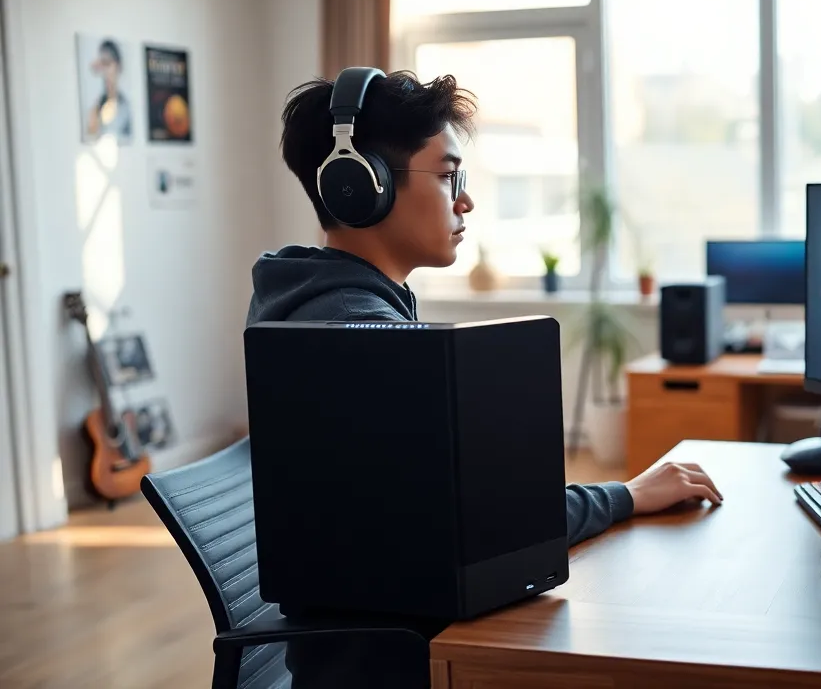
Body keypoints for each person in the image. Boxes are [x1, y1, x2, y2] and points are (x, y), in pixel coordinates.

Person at [248, 69, 724, 687]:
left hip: (404, 634)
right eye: (448, 177)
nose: (465, 200)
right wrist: (627, 495)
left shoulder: (326, 309)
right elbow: (488, 527)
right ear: (361, 186)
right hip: (406, 662)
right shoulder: (355, 338)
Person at [85, 39, 131, 142]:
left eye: (107, 63)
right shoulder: (95, 107)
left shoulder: (127, 106)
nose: (104, 71)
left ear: (118, 66)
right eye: (102, 64)